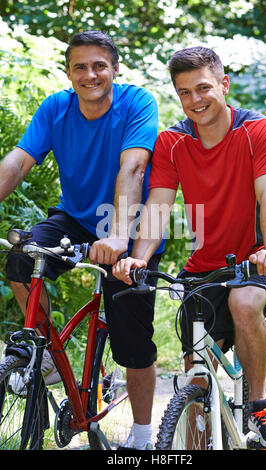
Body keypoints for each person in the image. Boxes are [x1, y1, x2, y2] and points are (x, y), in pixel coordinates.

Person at [112, 46, 266, 449]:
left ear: (224, 84)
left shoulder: (260, 131)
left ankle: (261, 406)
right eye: (185, 92)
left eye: (204, 88)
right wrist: (138, 258)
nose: (196, 100)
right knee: (196, 390)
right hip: (203, 267)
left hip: (254, 261)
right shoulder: (173, 142)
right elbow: (158, 206)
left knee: (244, 305)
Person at [0, 31, 165, 450]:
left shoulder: (137, 103)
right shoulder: (57, 107)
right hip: (73, 219)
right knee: (21, 259)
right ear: (69, 72)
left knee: (132, 340)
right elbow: (18, 163)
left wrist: (118, 235)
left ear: (114, 69)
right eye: (80, 67)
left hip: (127, 223)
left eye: (99, 65)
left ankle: (143, 436)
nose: (90, 74)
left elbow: (133, 167)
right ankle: (50, 358)